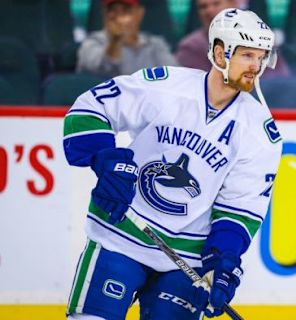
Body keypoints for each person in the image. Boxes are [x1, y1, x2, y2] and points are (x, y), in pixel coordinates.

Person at [64, 7, 282, 320]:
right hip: (120, 234)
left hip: (187, 259)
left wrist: (223, 260)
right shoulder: (165, 87)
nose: (256, 66)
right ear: (220, 54)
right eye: (247, 55)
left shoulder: (261, 133)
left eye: (261, 57)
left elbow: (240, 209)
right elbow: (90, 108)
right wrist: (105, 159)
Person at [175, 0, 290, 79]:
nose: (209, 11)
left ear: (234, 5)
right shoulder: (191, 47)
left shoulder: (262, 41)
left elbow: (281, 83)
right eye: (203, 7)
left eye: (216, 3)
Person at [76, 0, 177, 78]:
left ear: (139, 13)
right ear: (104, 14)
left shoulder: (155, 44)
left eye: (126, 10)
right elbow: (98, 75)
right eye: (112, 10)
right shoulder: (92, 42)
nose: (118, 16)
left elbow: (175, 75)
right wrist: (115, 41)